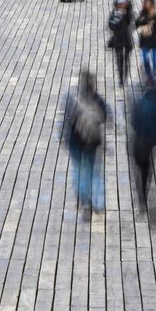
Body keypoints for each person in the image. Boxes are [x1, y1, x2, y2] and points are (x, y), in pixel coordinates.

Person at [62, 69, 109, 214]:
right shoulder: (97, 100)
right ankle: (98, 202)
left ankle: (83, 199)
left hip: (75, 141)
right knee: (93, 171)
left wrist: (64, 138)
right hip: (91, 142)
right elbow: (106, 116)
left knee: (77, 169)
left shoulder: (72, 99)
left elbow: (66, 121)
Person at [107, 0, 134, 87]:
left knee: (126, 60)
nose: (121, 6)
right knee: (119, 60)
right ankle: (121, 79)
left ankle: (125, 77)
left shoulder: (128, 13)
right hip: (118, 40)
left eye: (123, 4)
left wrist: (126, 12)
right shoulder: (114, 14)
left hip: (127, 39)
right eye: (120, 4)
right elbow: (110, 26)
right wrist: (116, 21)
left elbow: (130, 21)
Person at [135, 0, 156, 80]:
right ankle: (149, 75)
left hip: (153, 40)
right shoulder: (142, 13)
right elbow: (137, 24)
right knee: (145, 59)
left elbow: (153, 26)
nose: (147, 5)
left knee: (154, 59)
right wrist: (144, 20)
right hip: (144, 40)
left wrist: (144, 21)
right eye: (146, 3)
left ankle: (154, 73)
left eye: (149, 3)